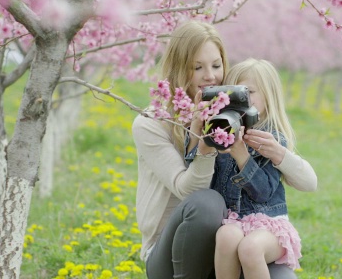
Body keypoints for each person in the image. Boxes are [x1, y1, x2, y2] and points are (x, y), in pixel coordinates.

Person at [131, 21, 317, 278]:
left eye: (216, 65)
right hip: (173, 254)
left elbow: (309, 182)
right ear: (178, 68)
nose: (210, 76)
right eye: (197, 67)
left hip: (232, 244)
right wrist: (204, 147)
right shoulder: (151, 123)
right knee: (208, 202)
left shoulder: (235, 117)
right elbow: (189, 191)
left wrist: (279, 154)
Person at [211, 58, 309, 278]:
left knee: (250, 248)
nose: (237, 100)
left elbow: (263, 193)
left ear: (268, 96)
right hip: (233, 221)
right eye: (232, 93)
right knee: (226, 235)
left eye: (248, 93)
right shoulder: (221, 133)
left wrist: (242, 156)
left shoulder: (271, 139)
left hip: (268, 225)